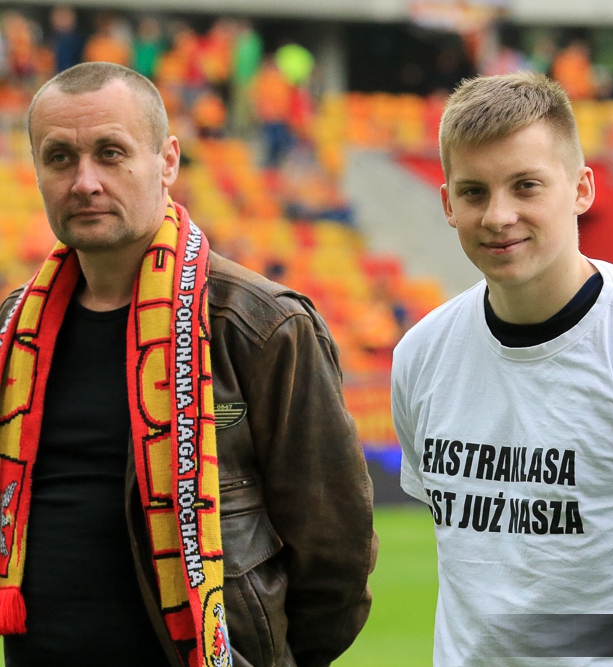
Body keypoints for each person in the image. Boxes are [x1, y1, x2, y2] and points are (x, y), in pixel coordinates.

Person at [0, 62, 374, 667]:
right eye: (60, 157)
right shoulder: (12, 330)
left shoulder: (261, 326)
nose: (85, 181)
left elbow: (337, 559)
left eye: (111, 153)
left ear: (167, 161)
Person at [391, 72, 613, 665]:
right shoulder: (421, 355)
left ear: (582, 189)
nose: (498, 215)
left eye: (526, 186)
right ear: (448, 204)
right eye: (474, 192)